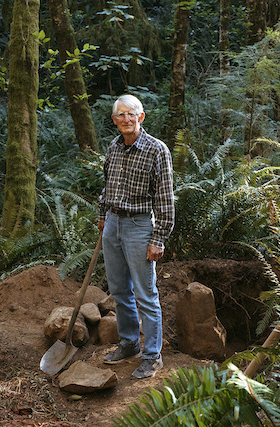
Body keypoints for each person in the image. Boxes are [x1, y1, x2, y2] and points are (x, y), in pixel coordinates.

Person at [98, 94, 175, 379]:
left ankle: (153, 356)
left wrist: (158, 239)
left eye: (132, 114)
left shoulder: (157, 150)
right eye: (121, 115)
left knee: (146, 294)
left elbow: (166, 201)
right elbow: (107, 186)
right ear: (115, 120)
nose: (127, 120)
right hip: (113, 225)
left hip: (140, 227)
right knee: (119, 291)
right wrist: (102, 215)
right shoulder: (114, 147)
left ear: (141, 117)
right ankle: (129, 344)